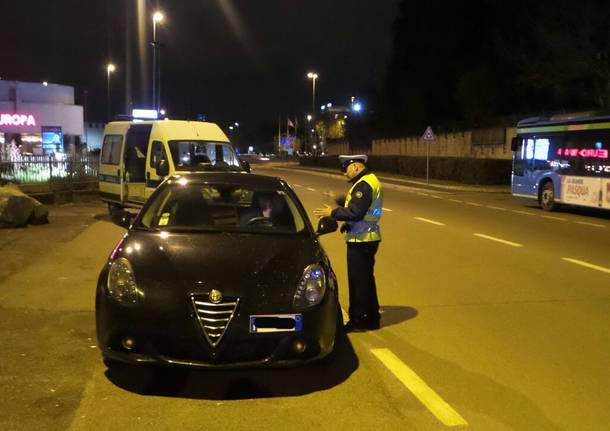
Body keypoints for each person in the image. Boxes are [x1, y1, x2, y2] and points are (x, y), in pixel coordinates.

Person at [313, 155, 383, 332]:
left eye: (346, 169)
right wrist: (347, 224)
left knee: (358, 283)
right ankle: (372, 318)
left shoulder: (364, 184)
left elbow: (355, 211)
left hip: (361, 241)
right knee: (366, 281)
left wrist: (333, 213)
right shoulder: (369, 181)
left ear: (357, 167)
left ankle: (358, 321)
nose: (344, 173)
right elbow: (360, 210)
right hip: (366, 237)